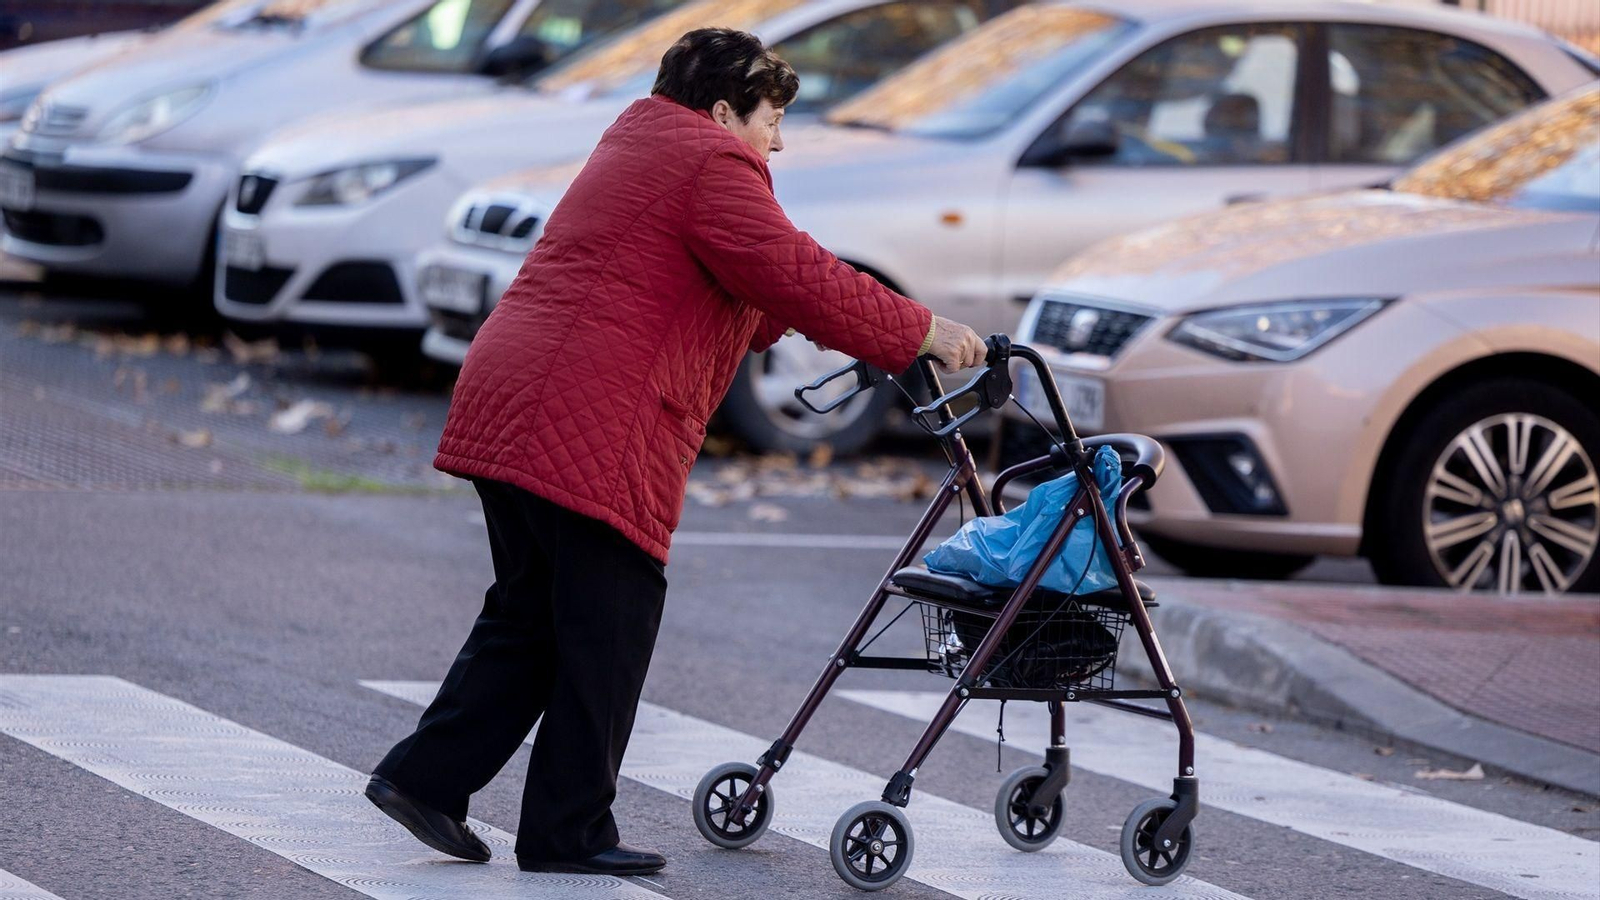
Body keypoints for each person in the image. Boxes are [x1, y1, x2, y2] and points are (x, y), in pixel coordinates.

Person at [363, 27, 986, 877]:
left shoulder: (642, 143)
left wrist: (835, 314)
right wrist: (922, 330)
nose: (779, 140)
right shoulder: (708, 163)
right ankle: (567, 831)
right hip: (592, 411)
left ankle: (425, 781)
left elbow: (758, 289)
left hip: (515, 390)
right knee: (609, 625)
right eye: (771, 119)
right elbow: (793, 274)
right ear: (724, 108)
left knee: (533, 614)